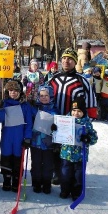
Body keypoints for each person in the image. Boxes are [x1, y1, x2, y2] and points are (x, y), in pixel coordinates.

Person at [47, 47, 97, 185]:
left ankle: (73, 179)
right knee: (55, 149)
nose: (66, 61)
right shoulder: (53, 79)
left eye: (70, 59)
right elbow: (44, 97)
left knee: (71, 153)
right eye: (64, 58)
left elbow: (91, 104)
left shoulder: (82, 81)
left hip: (74, 124)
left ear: (75, 62)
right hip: (56, 122)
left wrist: (87, 125)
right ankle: (57, 173)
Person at [0, 80, 33, 192]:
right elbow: (0, 119)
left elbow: (29, 122)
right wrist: (0, 109)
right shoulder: (5, 103)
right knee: (6, 157)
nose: (13, 93)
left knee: (17, 158)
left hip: (19, 137)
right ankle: (6, 178)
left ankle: (16, 180)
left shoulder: (24, 106)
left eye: (16, 90)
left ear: (20, 92)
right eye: (11, 90)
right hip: (7, 136)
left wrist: (27, 138)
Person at [59, 97, 98, 201]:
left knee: (78, 176)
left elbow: (94, 138)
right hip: (66, 154)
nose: (76, 113)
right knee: (65, 174)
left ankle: (76, 192)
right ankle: (65, 190)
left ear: (83, 112)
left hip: (80, 156)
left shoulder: (86, 123)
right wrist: (54, 130)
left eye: (79, 111)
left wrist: (88, 138)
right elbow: (57, 135)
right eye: (74, 111)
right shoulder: (65, 121)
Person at [30, 85, 59, 194]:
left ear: (51, 96)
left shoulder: (55, 110)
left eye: (46, 95)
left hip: (49, 143)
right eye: (41, 95)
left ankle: (46, 183)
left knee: (48, 164)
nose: (44, 98)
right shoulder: (34, 108)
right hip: (35, 142)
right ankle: (36, 182)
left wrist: (56, 130)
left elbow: (60, 126)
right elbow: (29, 121)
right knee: (36, 163)